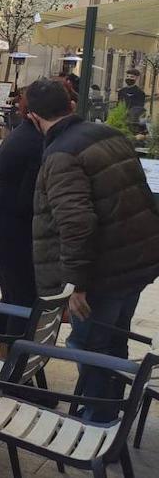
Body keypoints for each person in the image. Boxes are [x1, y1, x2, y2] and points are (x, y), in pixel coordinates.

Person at [27, 78, 159, 421]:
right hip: (133, 264)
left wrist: (75, 284)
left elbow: (76, 223)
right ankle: (112, 408)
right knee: (113, 338)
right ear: (71, 106)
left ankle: (101, 419)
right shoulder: (109, 136)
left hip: (103, 273)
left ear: (33, 118)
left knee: (89, 345)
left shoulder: (61, 155)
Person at [0, 92, 44, 351]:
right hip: (5, 223)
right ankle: (12, 368)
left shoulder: (28, 133)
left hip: (0, 220)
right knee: (22, 297)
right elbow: (29, 197)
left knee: (14, 292)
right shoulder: (34, 141)